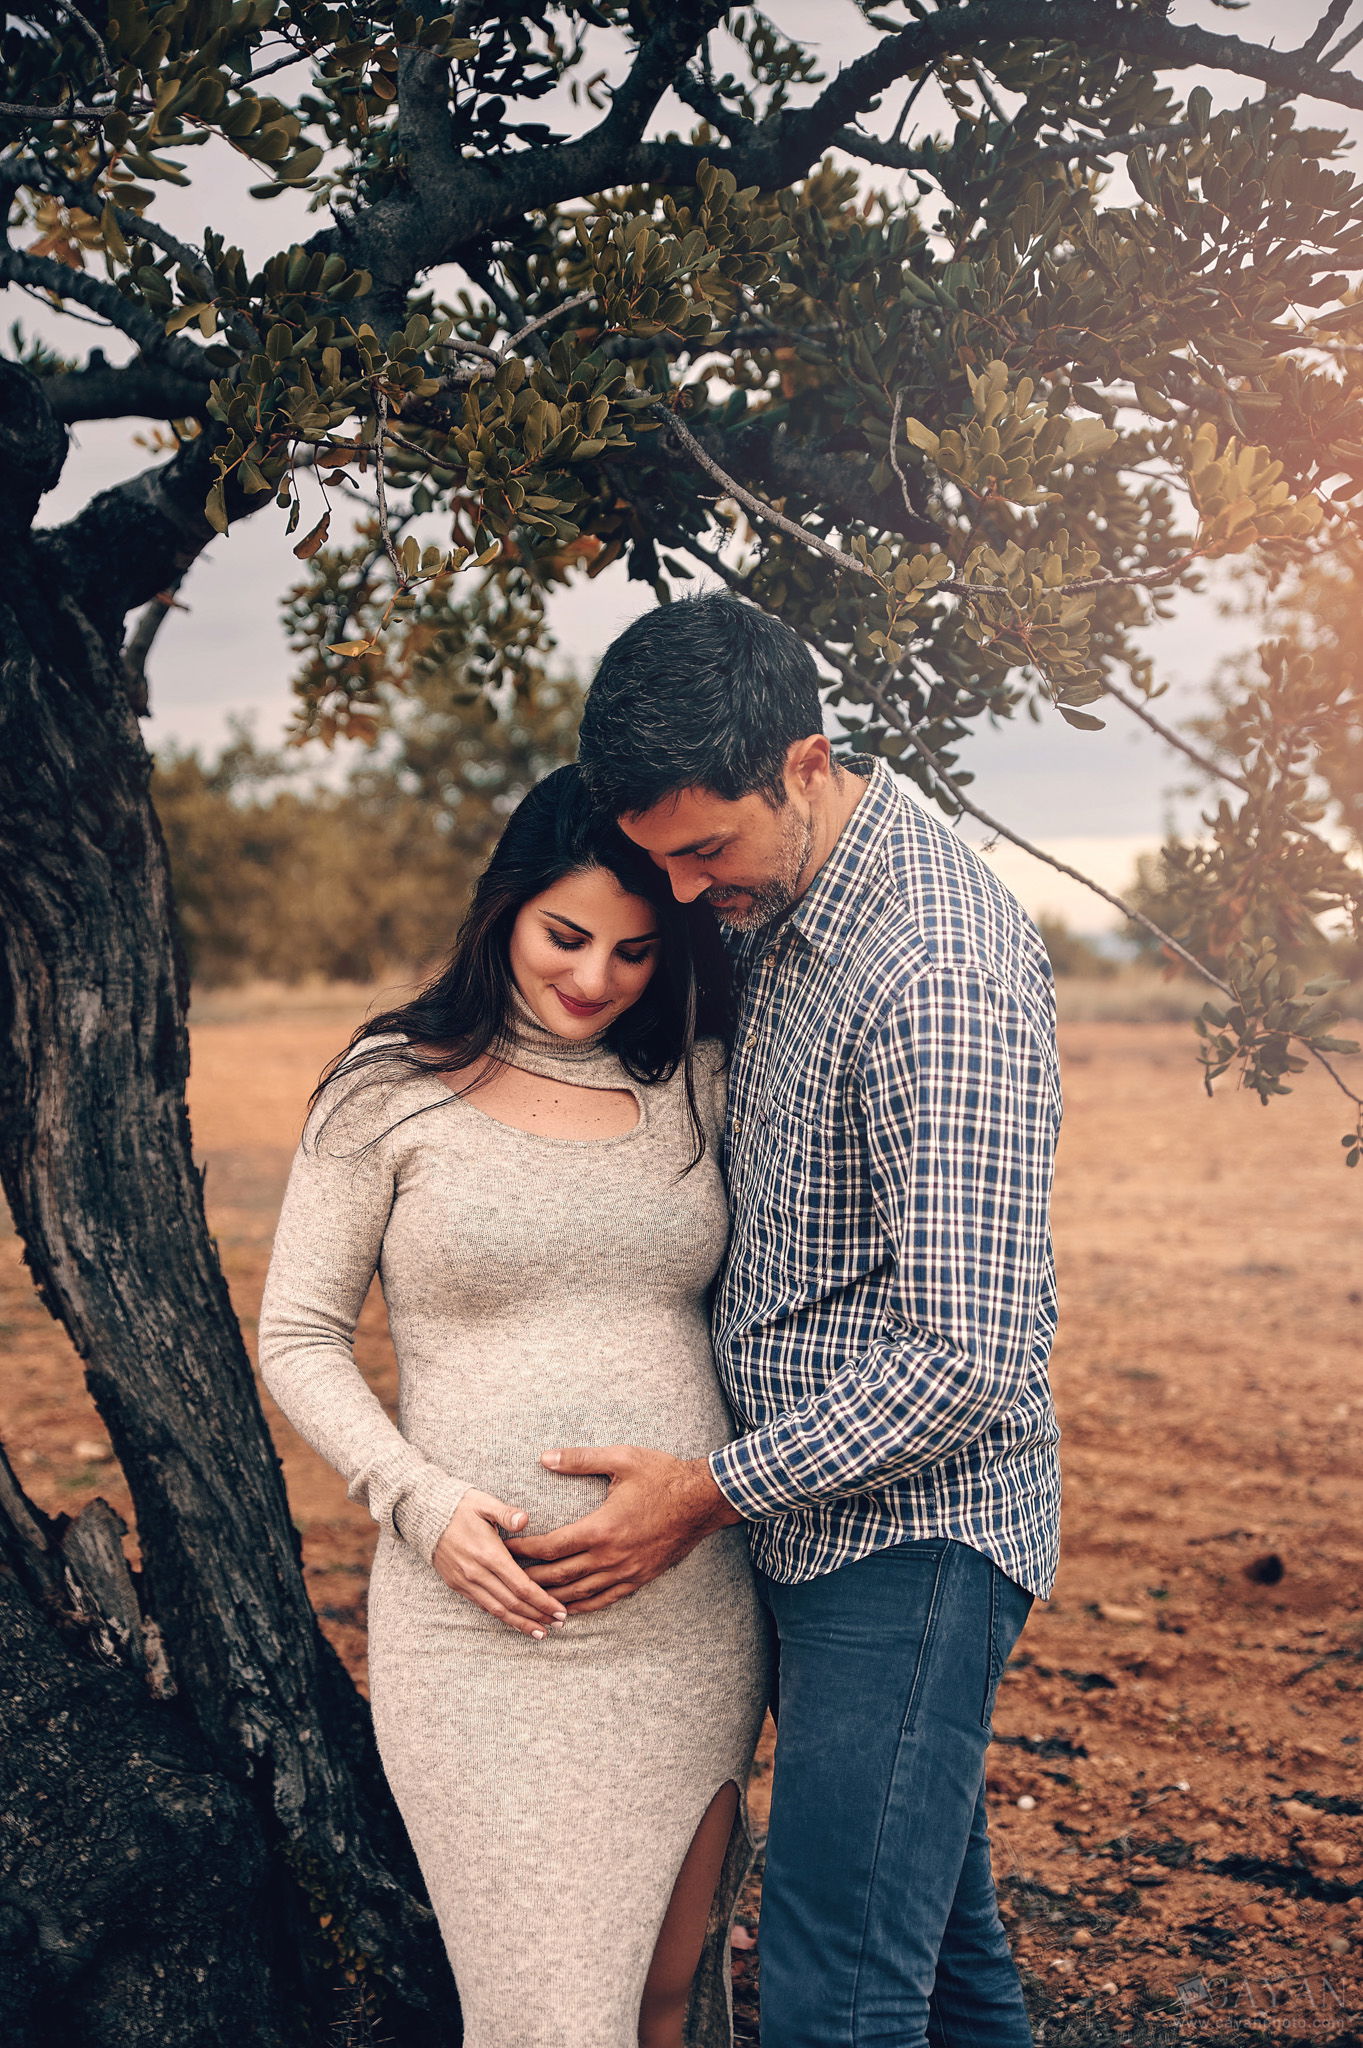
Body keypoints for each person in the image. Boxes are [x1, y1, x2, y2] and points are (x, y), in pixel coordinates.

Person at [510, 594, 1063, 2048]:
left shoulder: (929, 970)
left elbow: (969, 1355)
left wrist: (707, 1491)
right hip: (811, 1516)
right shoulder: (778, 902)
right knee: (942, 1962)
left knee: (831, 1990)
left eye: (705, 851)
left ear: (803, 764)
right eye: (656, 859)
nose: (684, 894)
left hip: (911, 1536)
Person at [256, 764, 769, 2048]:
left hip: (689, 1618)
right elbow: (299, 1334)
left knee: (666, 1997)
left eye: (637, 950)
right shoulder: (390, 1086)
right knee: (545, 2020)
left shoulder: (697, 1081)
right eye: (567, 933)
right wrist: (419, 1504)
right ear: (503, 911)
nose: (595, 977)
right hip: (485, 1630)